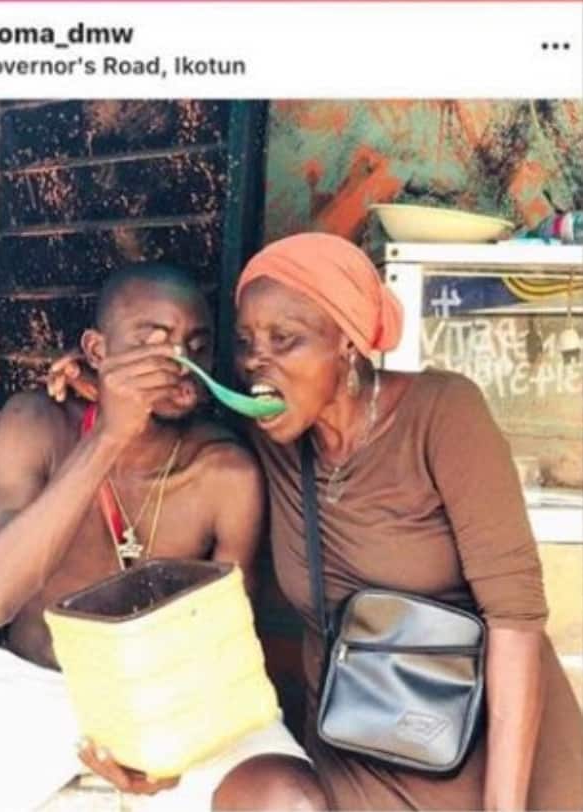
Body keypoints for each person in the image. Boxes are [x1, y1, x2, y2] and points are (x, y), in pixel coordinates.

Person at [0, 263, 326, 812]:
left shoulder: (225, 472)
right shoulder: (38, 423)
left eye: (197, 345)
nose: (180, 361)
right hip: (36, 684)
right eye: (154, 342)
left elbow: (228, 647)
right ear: (97, 350)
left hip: (178, 696)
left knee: (289, 800)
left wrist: (165, 741)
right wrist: (110, 437)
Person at [232, 233, 583, 811]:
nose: (255, 361)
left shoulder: (442, 413)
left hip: (488, 746)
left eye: (284, 339)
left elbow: (515, 619)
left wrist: (504, 805)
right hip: (361, 742)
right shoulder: (271, 439)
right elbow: (166, 442)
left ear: (346, 343)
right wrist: (90, 399)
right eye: (245, 342)